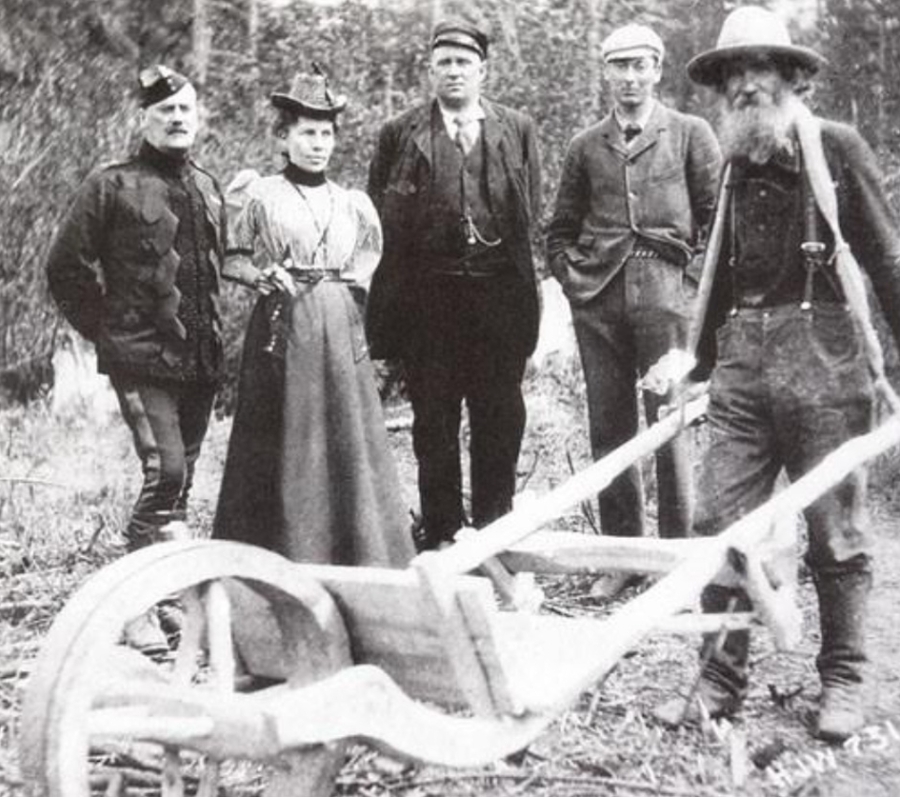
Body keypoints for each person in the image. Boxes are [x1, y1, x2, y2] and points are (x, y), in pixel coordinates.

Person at [652, 6, 900, 742]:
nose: (745, 85)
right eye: (732, 73)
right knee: (716, 524)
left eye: (760, 68)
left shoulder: (836, 148)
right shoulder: (736, 162)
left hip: (825, 361)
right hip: (743, 368)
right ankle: (719, 678)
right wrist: (691, 362)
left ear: (791, 75)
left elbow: (886, 260)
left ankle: (846, 678)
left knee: (837, 532)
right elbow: (721, 279)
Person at [46, 66, 226, 652]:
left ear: (198, 119)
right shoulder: (112, 185)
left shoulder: (206, 185)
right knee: (165, 472)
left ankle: (162, 599)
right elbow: (65, 267)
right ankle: (132, 609)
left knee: (181, 488)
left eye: (186, 109)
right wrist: (107, 330)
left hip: (199, 362)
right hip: (140, 361)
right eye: (165, 110)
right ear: (143, 119)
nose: (178, 119)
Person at [546, 24, 722, 597]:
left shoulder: (690, 133)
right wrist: (575, 283)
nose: (628, 77)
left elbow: (718, 220)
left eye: (639, 65)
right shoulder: (584, 145)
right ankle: (621, 558)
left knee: (670, 423)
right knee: (610, 429)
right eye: (618, 66)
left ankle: (676, 558)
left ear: (658, 69)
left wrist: (691, 289)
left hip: (666, 295)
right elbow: (558, 230)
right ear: (605, 72)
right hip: (599, 301)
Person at [213, 70, 414, 568]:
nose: (318, 143)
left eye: (326, 133)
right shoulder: (259, 194)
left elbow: (367, 262)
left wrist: (348, 297)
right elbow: (232, 257)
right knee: (290, 433)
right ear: (283, 138)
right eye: (306, 132)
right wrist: (263, 275)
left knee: (347, 431)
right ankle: (285, 554)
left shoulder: (351, 203)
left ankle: (360, 553)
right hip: (285, 322)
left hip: (339, 320)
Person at [366, 19, 542, 552]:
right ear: (430, 70)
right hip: (429, 303)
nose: (454, 71)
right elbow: (379, 218)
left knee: (499, 417)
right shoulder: (400, 133)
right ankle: (443, 535)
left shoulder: (518, 129)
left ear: (483, 70)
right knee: (434, 423)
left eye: (464, 62)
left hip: (498, 299)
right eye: (444, 62)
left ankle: (494, 533)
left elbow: (528, 212)